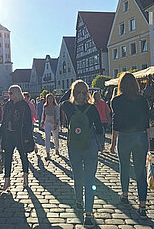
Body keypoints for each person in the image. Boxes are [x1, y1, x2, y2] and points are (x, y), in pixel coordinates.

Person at [60, 80, 102, 228]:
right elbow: (99, 129)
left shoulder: (68, 107)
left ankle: (79, 201)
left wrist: (73, 89)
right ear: (87, 93)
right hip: (90, 146)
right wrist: (100, 145)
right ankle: (89, 213)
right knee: (90, 180)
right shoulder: (92, 109)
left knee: (77, 175)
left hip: (74, 146)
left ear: (73, 93)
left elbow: (62, 100)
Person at [110, 72, 150, 218]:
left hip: (125, 137)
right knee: (141, 171)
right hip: (140, 137)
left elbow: (116, 123)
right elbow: (146, 122)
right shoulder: (142, 100)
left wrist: (113, 143)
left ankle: (125, 196)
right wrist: (148, 141)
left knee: (124, 167)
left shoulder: (117, 100)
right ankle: (142, 205)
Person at [0, 85, 33, 190]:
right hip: (9, 134)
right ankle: (7, 180)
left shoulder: (24, 105)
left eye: (11, 93)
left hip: (20, 134)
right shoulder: (8, 105)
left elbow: (28, 122)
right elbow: (4, 120)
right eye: (9, 93)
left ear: (16, 93)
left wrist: (28, 136)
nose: (9, 95)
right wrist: (1, 134)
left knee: (23, 156)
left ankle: (25, 177)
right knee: (8, 157)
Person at [41, 94, 60, 159]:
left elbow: (57, 115)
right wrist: (42, 122)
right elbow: (43, 114)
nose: (50, 100)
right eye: (49, 98)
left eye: (51, 98)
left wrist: (56, 124)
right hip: (47, 123)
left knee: (55, 137)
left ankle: (57, 149)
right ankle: (48, 153)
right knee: (47, 138)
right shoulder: (45, 106)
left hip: (54, 123)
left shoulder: (56, 106)